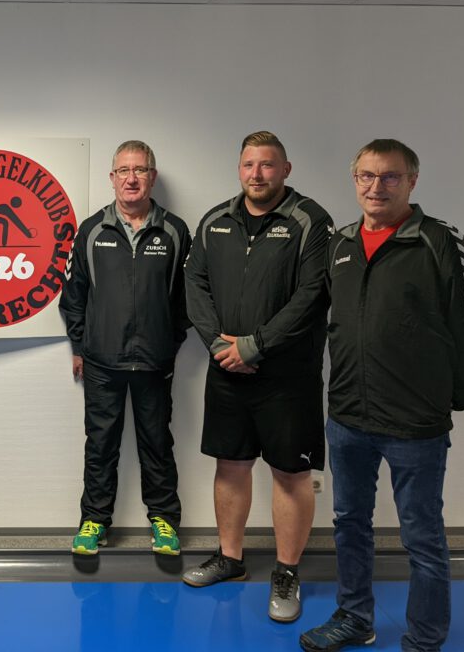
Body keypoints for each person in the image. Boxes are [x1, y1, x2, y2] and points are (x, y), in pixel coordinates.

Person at [300, 139, 464, 652]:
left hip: (415, 424)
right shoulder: (340, 244)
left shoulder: (442, 241)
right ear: (355, 181)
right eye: (367, 176)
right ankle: (354, 618)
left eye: (390, 176)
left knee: (421, 537)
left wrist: (446, 398)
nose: (377, 186)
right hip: (347, 417)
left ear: (412, 181)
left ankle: (425, 640)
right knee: (349, 524)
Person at [182, 131, 333, 623]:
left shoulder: (311, 220)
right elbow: (194, 284)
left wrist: (256, 345)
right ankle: (230, 558)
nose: (257, 174)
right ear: (239, 168)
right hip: (227, 370)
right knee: (231, 464)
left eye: (268, 165)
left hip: (288, 376)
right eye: (249, 164)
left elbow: (312, 295)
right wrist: (220, 345)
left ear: (285, 170)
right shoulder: (215, 221)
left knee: (291, 473)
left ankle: (287, 572)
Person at [60, 140, 192, 557]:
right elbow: (73, 296)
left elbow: (188, 300)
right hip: (102, 362)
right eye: (123, 171)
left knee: (157, 444)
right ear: (112, 177)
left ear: (152, 176)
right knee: (100, 445)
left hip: (155, 362)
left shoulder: (175, 231)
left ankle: (164, 522)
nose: (131, 179)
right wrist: (80, 345)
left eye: (139, 170)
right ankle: (94, 521)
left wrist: (169, 342)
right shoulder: (91, 231)